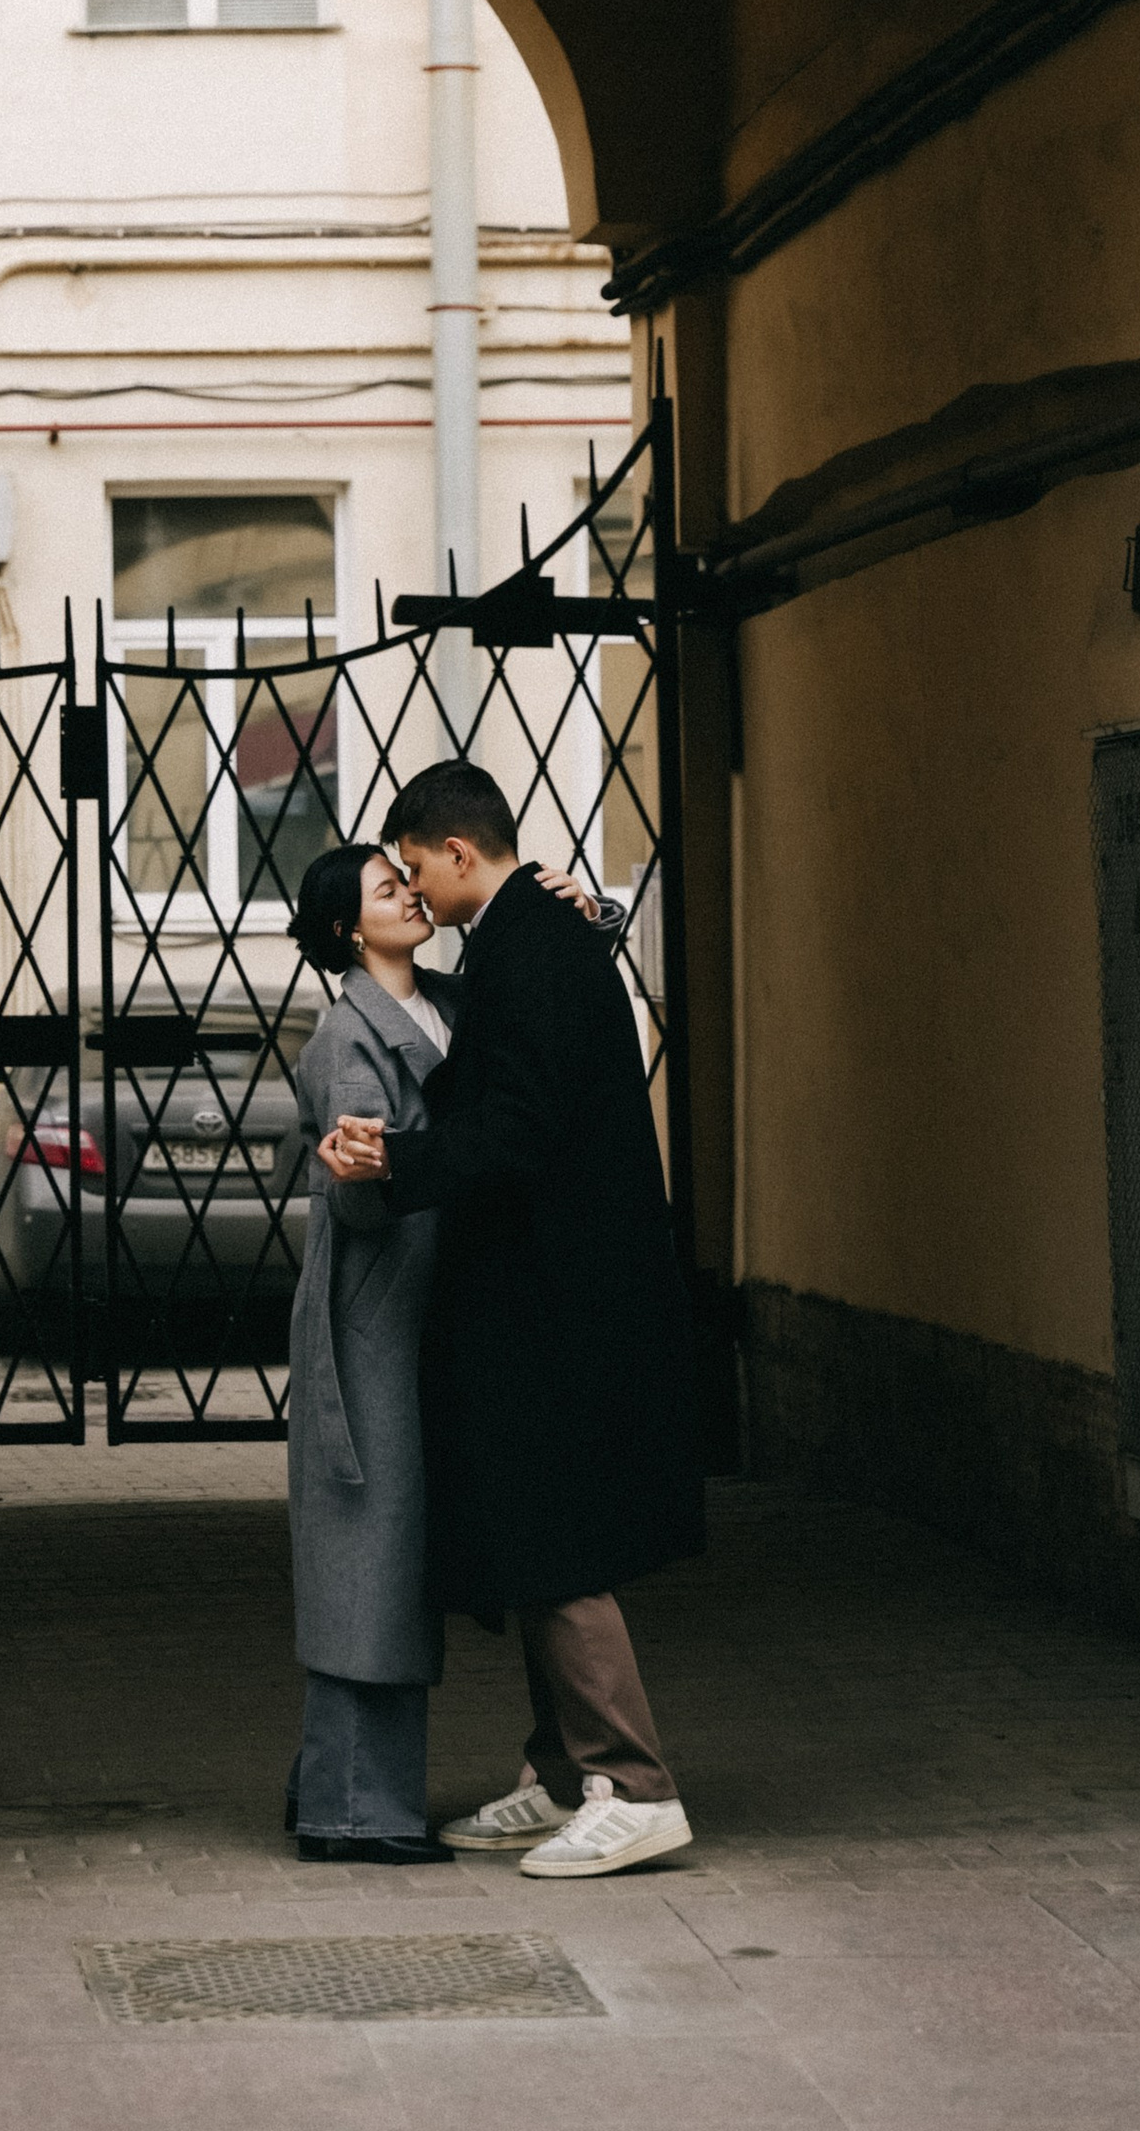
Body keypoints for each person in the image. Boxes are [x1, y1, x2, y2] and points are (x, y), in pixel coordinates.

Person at [319, 757, 703, 1879]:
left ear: (453, 850)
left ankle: (632, 1783)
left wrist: (398, 1157)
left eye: (411, 867)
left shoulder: (530, 943)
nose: (411, 891)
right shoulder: (531, 931)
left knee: (559, 1533)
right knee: (535, 1531)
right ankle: (559, 1770)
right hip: (545, 1290)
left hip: (559, 1293)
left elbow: (519, 1130)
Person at [282, 844, 463, 1864]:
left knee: (385, 1556)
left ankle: (332, 1784)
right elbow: (355, 1194)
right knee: (370, 1558)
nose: (408, 891)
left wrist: (586, 916)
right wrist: (362, 1166)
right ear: (352, 930)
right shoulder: (350, 1039)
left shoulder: (439, 999)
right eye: (386, 889)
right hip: (372, 1325)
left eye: (407, 876)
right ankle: (355, 1811)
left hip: (415, 1314)